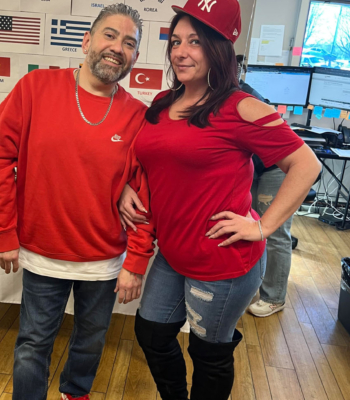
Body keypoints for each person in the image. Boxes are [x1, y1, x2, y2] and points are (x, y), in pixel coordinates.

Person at [117, 1, 321, 399]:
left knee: (208, 352)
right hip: (174, 252)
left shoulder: (238, 106)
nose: (180, 51)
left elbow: (306, 164)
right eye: (176, 40)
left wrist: (262, 225)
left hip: (223, 260)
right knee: (152, 333)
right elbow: (149, 161)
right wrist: (130, 184)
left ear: (219, 48)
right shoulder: (162, 103)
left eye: (195, 41)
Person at [0, 4, 147, 400]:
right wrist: (4, 231)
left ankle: (75, 393)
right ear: (87, 40)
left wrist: (137, 260)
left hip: (104, 261)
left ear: (136, 57)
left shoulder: (139, 116)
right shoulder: (36, 88)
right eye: (109, 35)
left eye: (129, 43)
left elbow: (145, 192)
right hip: (43, 253)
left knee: (90, 344)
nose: (117, 48)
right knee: (33, 345)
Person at [237, 55, 293, 317]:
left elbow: (302, 160)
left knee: (274, 232)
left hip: (273, 168)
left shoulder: (249, 99)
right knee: (248, 225)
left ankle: (274, 297)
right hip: (252, 166)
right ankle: (251, 286)